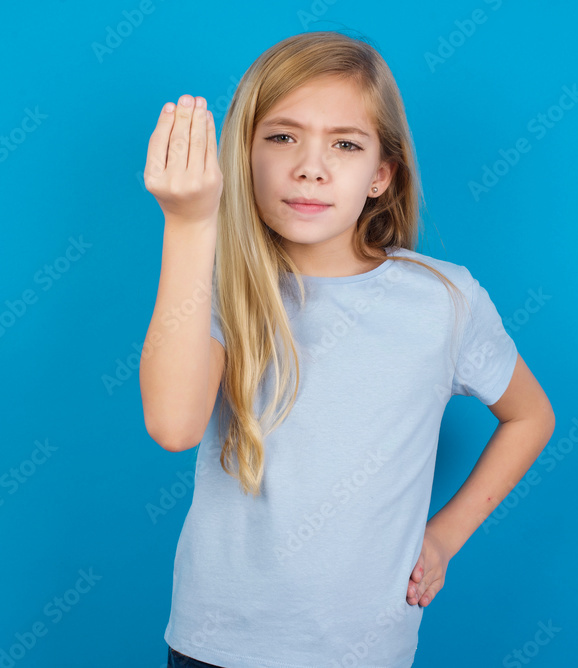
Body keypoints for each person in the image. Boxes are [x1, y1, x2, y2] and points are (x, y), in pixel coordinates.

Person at [140, 30, 555, 668]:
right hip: (216, 646)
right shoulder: (220, 290)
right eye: (282, 137)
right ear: (243, 158)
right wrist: (190, 223)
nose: (311, 165)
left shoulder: (445, 300)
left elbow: (531, 416)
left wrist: (443, 539)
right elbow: (172, 425)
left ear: (381, 175)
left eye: (345, 143)